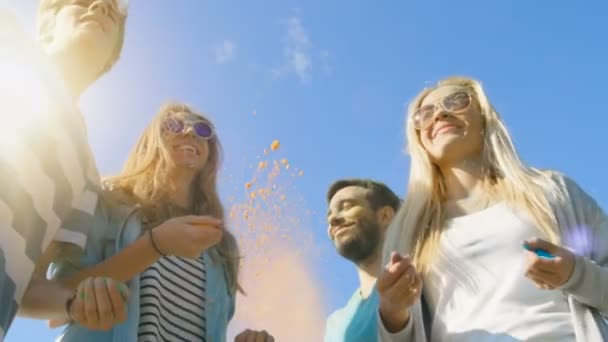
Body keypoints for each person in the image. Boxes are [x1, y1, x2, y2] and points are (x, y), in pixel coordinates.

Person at [377, 76, 608, 341]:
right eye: (424, 113)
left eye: (456, 101)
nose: (440, 113)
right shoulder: (408, 230)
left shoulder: (552, 190)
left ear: (485, 117)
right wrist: (393, 314)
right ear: (418, 138)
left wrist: (576, 274)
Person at [47, 102, 274, 342]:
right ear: (152, 141)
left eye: (203, 131)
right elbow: (54, 310)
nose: (189, 133)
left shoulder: (221, 246)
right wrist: (154, 245)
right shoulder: (107, 203)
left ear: (209, 153)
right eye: (174, 125)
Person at [0, 0, 129, 338]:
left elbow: (31, 286)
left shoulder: (86, 174)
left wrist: (76, 302)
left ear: (111, 58)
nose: (100, 7)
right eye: (82, 2)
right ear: (45, 26)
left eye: (112, 15)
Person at [324, 179, 400, 342]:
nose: (333, 220)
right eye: (329, 216)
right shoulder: (336, 323)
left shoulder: (419, 280)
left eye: (346, 207)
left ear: (385, 216)